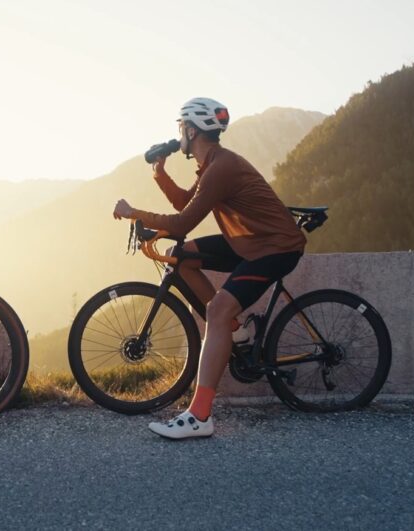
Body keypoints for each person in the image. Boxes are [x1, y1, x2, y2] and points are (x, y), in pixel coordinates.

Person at [113, 97, 306, 439]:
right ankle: (235, 331)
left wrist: (134, 212)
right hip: (248, 241)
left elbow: (182, 220)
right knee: (182, 256)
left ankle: (200, 416)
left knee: (215, 310)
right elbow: (186, 203)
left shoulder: (222, 167)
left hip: (274, 248)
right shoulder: (213, 164)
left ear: (189, 130)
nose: (178, 135)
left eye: (179, 128)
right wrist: (160, 173)